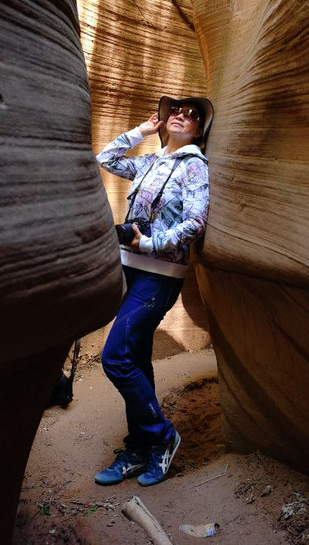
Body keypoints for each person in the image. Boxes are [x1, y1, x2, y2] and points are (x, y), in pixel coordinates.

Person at [93, 94, 214, 487]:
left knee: (114, 359)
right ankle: (137, 449)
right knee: (137, 359)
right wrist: (142, 132)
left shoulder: (194, 166)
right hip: (130, 271)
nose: (181, 115)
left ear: (199, 130)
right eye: (175, 111)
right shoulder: (151, 161)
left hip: (159, 275)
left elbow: (196, 222)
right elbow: (106, 160)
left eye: (191, 115)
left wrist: (147, 243)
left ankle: (162, 437)